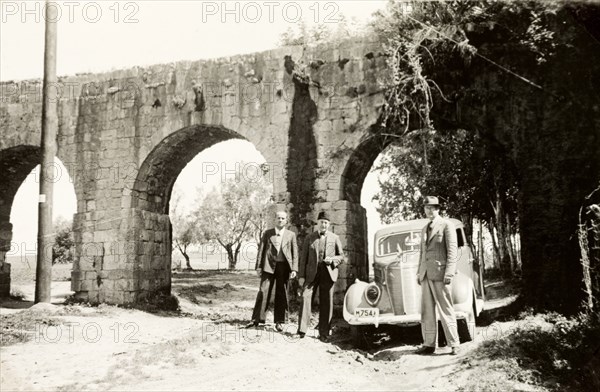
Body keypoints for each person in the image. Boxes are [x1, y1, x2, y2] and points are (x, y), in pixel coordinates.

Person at [415, 196, 461, 355]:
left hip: (441, 274)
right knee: (427, 311)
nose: (429, 210)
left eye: (432, 207)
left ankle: (454, 344)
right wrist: (418, 272)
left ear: (438, 209)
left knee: (446, 309)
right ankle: (429, 344)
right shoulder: (424, 229)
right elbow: (422, 253)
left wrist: (449, 273)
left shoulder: (447, 225)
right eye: (427, 208)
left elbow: (452, 251)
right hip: (426, 274)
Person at [246, 211, 298, 332]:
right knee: (263, 291)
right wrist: (258, 267)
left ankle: (280, 322)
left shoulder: (291, 235)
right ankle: (257, 319)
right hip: (268, 267)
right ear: (275, 219)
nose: (280, 220)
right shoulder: (268, 233)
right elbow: (261, 251)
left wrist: (294, 269)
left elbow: (295, 253)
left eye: (283, 218)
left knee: (282, 293)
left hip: (284, 268)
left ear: (286, 221)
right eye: (278, 218)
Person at [297, 211, 344, 342]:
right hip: (311, 274)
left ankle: (324, 333)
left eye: (326, 222)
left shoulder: (335, 238)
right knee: (306, 297)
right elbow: (303, 259)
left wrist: (333, 260)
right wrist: (301, 276)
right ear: (317, 223)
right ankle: (302, 330)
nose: (323, 225)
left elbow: (341, 256)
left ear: (329, 224)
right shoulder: (309, 238)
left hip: (328, 274)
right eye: (321, 222)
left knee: (326, 303)